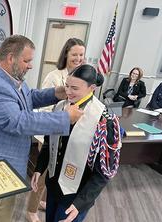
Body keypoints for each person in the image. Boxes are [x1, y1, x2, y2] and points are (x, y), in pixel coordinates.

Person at [0, 35, 83, 222]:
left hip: (3, 165)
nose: (30, 65)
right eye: (27, 61)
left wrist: (56, 93)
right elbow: (19, 121)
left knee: (0, 214)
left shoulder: (10, 78)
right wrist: (65, 118)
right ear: (11, 58)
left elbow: (29, 98)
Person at [31, 64, 122, 222]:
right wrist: (39, 168)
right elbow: (48, 143)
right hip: (53, 185)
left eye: (74, 88)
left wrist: (81, 203)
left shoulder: (104, 120)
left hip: (76, 194)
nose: (68, 92)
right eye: (66, 86)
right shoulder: (60, 107)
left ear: (91, 87)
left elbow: (104, 173)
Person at [26, 38, 86, 222]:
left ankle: (44, 202)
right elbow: (42, 109)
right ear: (66, 54)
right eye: (74, 54)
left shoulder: (83, 78)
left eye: (81, 55)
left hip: (71, 139)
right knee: (42, 177)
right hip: (50, 136)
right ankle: (31, 210)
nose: (78, 58)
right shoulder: (53, 76)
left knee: (56, 176)